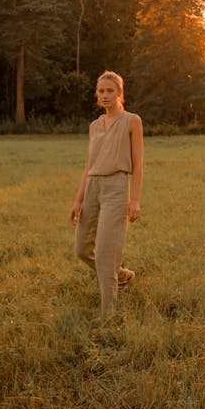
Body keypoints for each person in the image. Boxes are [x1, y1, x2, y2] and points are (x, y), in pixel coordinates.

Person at [69, 70, 144, 316]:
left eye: (110, 90)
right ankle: (120, 274)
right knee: (81, 248)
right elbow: (89, 165)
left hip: (116, 188)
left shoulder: (132, 121)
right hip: (92, 188)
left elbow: (139, 162)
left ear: (120, 93)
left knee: (104, 254)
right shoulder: (94, 126)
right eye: (101, 91)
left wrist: (134, 199)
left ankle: (107, 316)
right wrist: (78, 200)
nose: (105, 95)